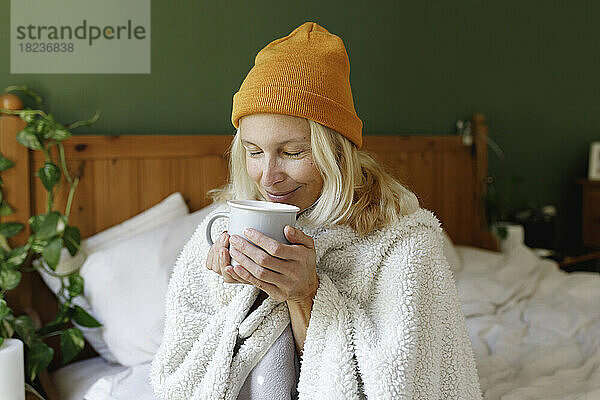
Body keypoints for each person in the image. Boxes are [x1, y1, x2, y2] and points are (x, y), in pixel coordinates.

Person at [150, 21, 482, 399]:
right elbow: (180, 369)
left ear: (337, 152)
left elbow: (393, 384)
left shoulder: (403, 247)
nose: (269, 177)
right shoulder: (222, 226)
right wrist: (228, 291)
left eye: (293, 152)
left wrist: (305, 295)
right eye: (254, 152)